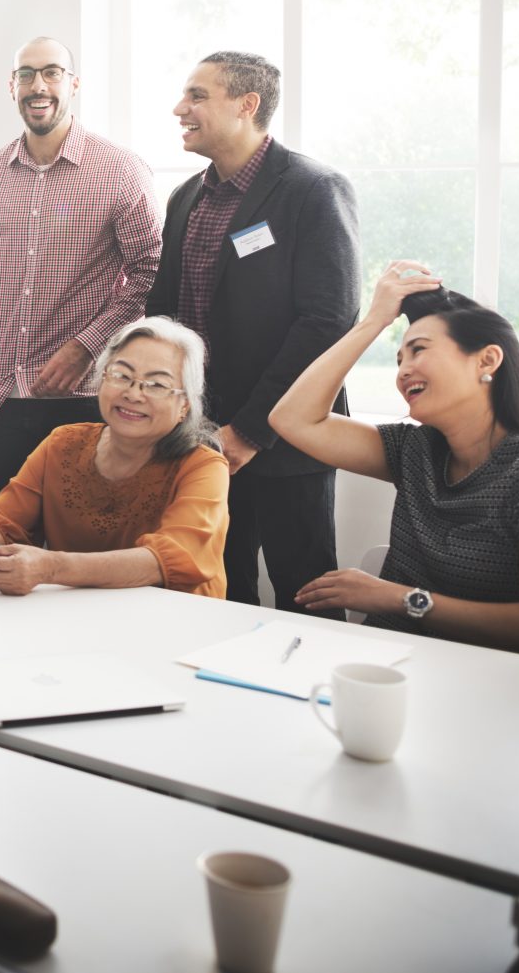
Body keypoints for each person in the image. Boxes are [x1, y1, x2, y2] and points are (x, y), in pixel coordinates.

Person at [270, 263, 519, 661]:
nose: (404, 370)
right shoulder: (414, 450)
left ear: (487, 361)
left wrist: (397, 598)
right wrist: (373, 321)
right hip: (389, 666)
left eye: (419, 350)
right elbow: (291, 419)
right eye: (398, 358)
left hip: (489, 684)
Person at [146, 51, 361, 618]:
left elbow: (328, 323)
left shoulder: (312, 189)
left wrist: (248, 430)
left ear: (248, 105)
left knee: (306, 599)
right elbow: (164, 316)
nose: (179, 109)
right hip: (197, 441)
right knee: (213, 595)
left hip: (286, 442)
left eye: (196, 96)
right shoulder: (184, 198)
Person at [0, 38, 162, 516]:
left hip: (82, 402)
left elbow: (149, 272)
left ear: (73, 83)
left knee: (80, 557)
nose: (37, 85)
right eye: (26, 74)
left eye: (51, 72)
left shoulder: (121, 171)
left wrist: (86, 346)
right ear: (11, 86)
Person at [0, 318, 229, 598]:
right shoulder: (63, 443)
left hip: (177, 625)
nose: (133, 394)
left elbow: (163, 561)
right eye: (121, 375)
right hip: (78, 620)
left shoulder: (204, 466)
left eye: (156, 384)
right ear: (101, 379)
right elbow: (3, 520)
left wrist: (50, 568)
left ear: (185, 405)